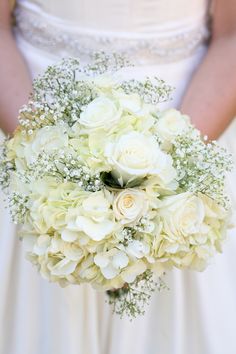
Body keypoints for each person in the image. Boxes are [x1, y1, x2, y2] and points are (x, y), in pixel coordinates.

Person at [0, 1, 236, 354]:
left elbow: (231, 36)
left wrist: (164, 184)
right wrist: (48, 167)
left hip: (192, 119)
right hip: (29, 117)